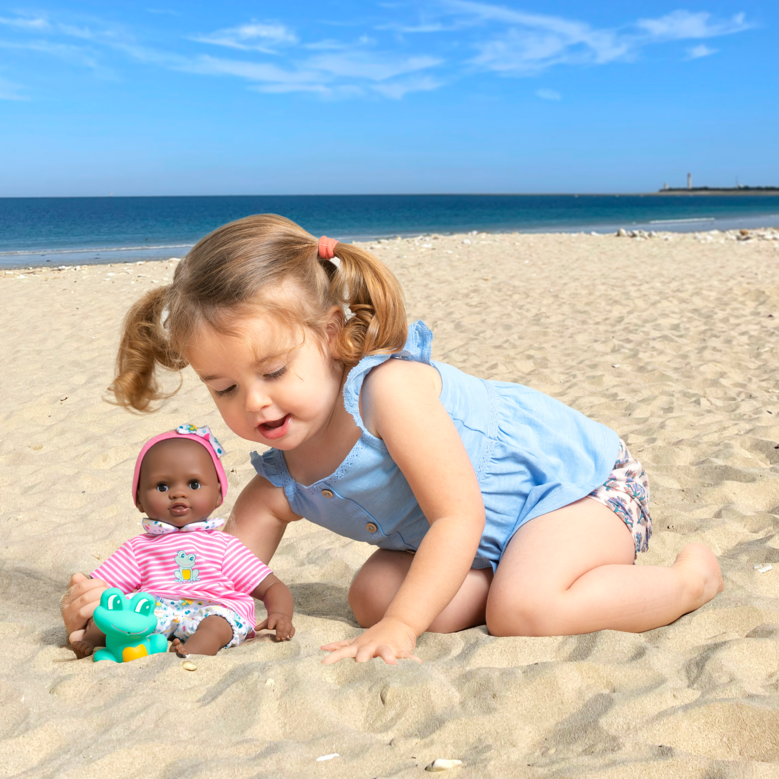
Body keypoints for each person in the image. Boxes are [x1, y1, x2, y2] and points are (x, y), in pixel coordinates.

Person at [61, 214, 723, 665]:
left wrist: (403, 628)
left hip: (574, 491)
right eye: (224, 388)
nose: (254, 401)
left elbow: (455, 513)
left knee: (523, 609)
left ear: (328, 335)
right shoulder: (280, 483)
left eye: (272, 371)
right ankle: (509, 577)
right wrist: (115, 606)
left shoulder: (387, 391)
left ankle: (688, 579)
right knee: (370, 597)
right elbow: (216, 575)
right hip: (484, 539)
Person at [68, 424, 294, 659]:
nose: (178, 493)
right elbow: (101, 586)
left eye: (194, 484)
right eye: (162, 486)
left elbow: (271, 586)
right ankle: (90, 640)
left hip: (210, 607)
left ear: (218, 494)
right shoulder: (139, 547)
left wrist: (280, 613)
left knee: (217, 625)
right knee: (119, 611)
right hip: (155, 610)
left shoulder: (223, 545)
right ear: (139, 500)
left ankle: (196, 649)